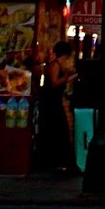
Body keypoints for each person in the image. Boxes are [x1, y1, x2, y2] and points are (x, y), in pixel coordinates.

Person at [37, 40, 76, 174]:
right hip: (51, 103)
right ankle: (54, 162)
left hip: (54, 102)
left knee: (58, 130)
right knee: (57, 130)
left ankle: (55, 162)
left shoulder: (57, 65)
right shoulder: (55, 65)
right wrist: (67, 76)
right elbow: (54, 83)